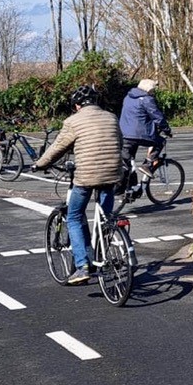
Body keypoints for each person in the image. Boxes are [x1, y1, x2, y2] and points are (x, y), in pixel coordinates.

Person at [32, 85, 124, 285]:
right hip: (112, 174)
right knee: (106, 219)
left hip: (86, 177)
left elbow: (58, 147)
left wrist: (40, 164)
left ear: (76, 106)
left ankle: (82, 266)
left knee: (73, 217)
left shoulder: (73, 121)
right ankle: (104, 253)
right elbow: (119, 142)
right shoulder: (111, 117)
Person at [119, 78, 171, 170]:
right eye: (152, 90)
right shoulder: (147, 99)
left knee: (127, 162)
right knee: (160, 142)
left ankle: (127, 181)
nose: (153, 93)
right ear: (149, 89)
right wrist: (166, 129)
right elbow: (157, 116)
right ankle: (148, 164)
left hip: (125, 134)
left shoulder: (127, 97)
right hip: (141, 134)